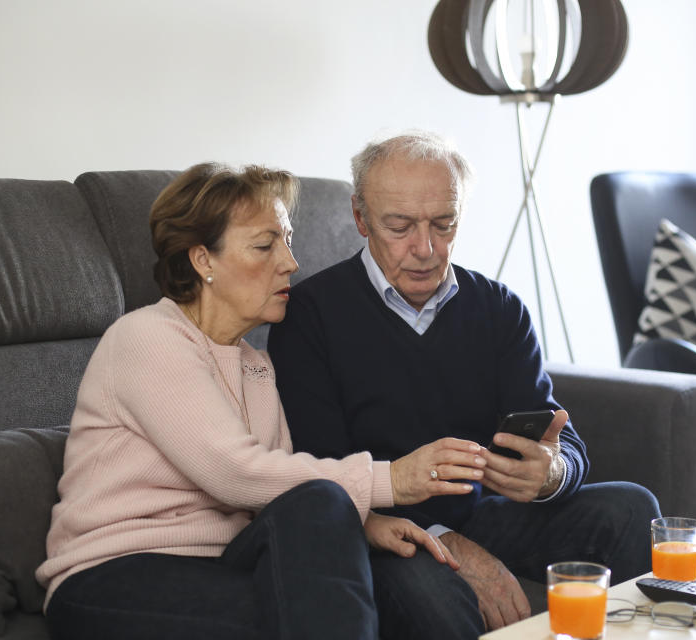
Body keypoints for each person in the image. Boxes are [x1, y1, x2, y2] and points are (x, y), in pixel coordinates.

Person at [35, 162, 491, 640]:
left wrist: (366, 521)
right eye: (264, 245)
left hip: (226, 566)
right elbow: (237, 474)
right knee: (321, 602)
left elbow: (285, 489)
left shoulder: (256, 365)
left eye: (288, 240)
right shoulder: (148, 337)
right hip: (115, 576)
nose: (290, 262)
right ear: (202, 260)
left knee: (332, 562)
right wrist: (392, 479)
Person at [267, 132, 662, 638]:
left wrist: (551, 472)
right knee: (436, 597)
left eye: (443, 224)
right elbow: (324, 477)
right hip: (385, 533)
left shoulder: (499, 309)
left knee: (632, 508)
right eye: (400, 227)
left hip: (483, 513)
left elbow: (558, 438)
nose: (425, 249)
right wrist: (449, 542)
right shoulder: (309, 316)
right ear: (361, 219)